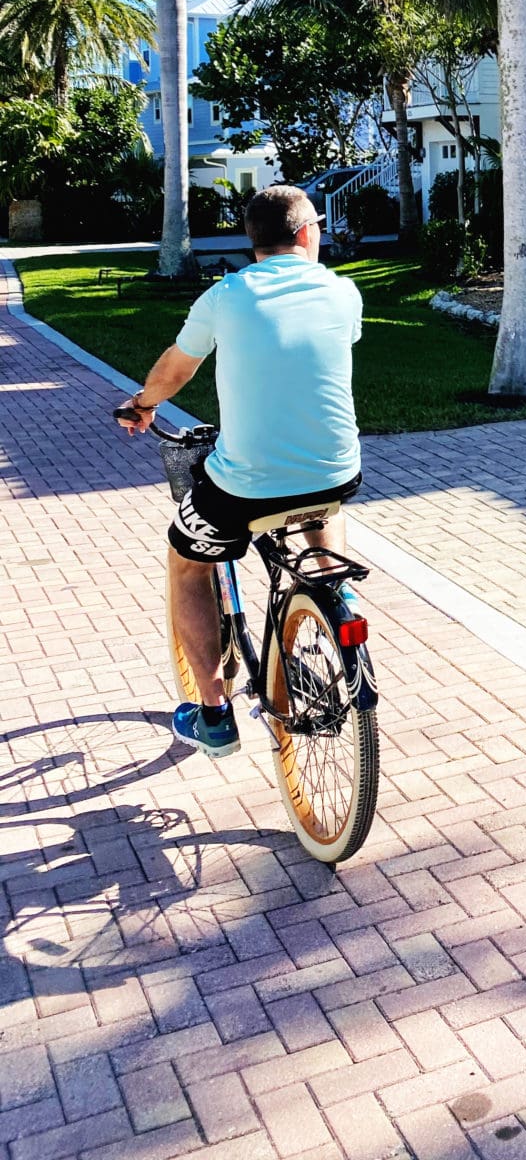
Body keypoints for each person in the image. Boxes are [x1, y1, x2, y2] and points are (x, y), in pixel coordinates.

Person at [118, 185, 364, 759]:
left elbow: (175, 371)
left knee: (186, 563)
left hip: (245, 485)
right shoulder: (342, 293)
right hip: (338, 472)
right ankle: (336, 597)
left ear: (252, 242)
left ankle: (213, 714)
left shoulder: (225, 297)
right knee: (316, 503)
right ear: (308, 234)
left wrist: (144, 403)